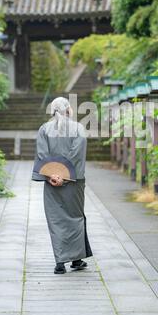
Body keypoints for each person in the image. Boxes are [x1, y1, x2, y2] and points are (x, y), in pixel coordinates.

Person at [32, 97, 93, 274]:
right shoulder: (78, 128)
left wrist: (52, 175)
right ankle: (76, 259)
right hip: (73, 183)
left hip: (52, 182)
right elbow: (76, 153)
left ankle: (60, 263)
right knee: (75, 218)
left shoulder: (44, 129)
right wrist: (64, 176)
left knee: (56, 221)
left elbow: (42, 155)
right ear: (69, 110)